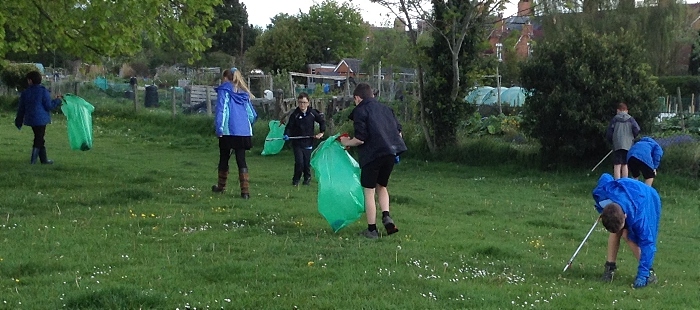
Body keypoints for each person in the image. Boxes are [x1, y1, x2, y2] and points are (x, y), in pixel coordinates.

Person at [339, 83, 407, 239]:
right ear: (372, 95)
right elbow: (399, 133)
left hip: (373, 155)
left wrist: (346, 142)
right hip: (390, 153)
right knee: (382, 186)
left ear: (357, 98)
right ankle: (386, 215)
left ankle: (372, 230)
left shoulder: (360, 111)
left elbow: (360, 139)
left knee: (369, 192)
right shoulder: (386, 109)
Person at [592, 173, 661, 288]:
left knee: (627, 235)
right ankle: (610, 268)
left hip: (648, 198)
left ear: (625, 216)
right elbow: (605, 176)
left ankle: (648, 272)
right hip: (624, 190)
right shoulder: (603, 193)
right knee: (617, 232)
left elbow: (648, 244)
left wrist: (642, 275)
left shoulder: (639, 217)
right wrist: (602, 211)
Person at [211, 68, 255, 199]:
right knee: (241, 160)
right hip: (243, 132)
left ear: (226, 78)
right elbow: (252, 115)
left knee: (224, 157)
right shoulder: (243, 92)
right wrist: (247, 127)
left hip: (228, 131)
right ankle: (245, 192)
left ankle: (221, 186)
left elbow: (222, 110)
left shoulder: (224, 90)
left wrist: (219, 128)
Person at [15, 71, 63, 164]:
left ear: (30, 81)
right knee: (39, 138)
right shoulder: (43, 91)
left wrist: (19, 120)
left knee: (40, 138)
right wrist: (57, 100)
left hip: (31, 119)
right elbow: (49, 106)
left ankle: (44, 160)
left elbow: (21, 108)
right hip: (41, 119)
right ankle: (33, 161)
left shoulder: (25, 93)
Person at [283, 92, 326, 186]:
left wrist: (321, 133)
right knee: (299, 162)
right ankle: (296, 180)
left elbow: (322, 122)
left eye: (304, 102)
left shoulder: (312, 113)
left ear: (308, 103)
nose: (302, 104)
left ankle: (307, 179)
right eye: (300, 102)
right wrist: (286, 134)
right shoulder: (295, 114)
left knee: (306, 163)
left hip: (308, 142)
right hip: (297, 143)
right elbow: (289, 127)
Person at [606, 102, 640, 179]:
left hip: (617, 144)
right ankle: (625, 181)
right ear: (626, 110)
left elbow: (609, 133)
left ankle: (617, 182)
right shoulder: (631, 119)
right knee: (625, 164)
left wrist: (612, 141)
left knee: (617, 164)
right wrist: (632, 137)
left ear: (618, 110)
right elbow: (637, 129)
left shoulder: (615, 119)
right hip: (628, 145)